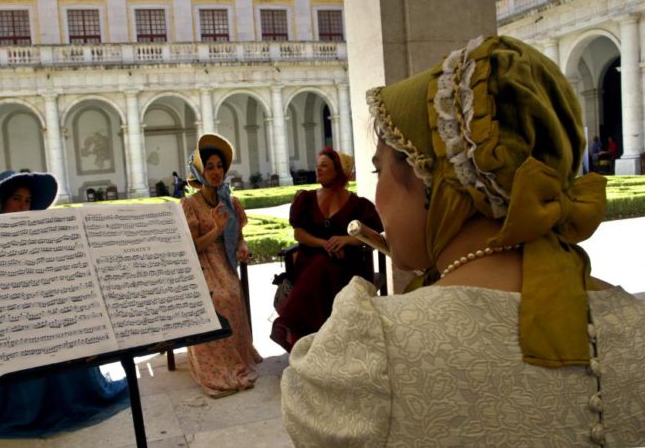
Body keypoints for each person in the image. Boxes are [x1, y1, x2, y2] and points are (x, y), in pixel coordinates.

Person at [281, 36, 645, 445]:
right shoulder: (635, 326)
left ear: (430, 179)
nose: (377, 195)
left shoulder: (370, 352)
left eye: (379, 171)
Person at [0, 170, 130, 438]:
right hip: (9, 321)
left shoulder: (41, 235)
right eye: (16, 199)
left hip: (45, 309)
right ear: (1, 202)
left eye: (27, 201)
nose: (23, 206)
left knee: (70, 324)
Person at [270, 147, 382, 353]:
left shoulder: (358, 205)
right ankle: (313, 335)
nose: (318, 170)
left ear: (338, 170)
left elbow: (374, 234)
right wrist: (323, 244)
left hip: (345, 262)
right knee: (321, 265)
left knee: (327, 267)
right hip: (311, 260)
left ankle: (292, 326)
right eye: (317, 166)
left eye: (324, 166)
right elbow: (298, 234)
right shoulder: (306, 199)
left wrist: (346, 239)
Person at [181, 133, 262, 398]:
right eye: (210, 167)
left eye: (219, 166)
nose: (216, 172)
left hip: (225, 263)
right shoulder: (190, 204)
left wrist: (242, 245)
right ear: (199, 171)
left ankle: (237, 358)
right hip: (201, 265)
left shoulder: (230, 201)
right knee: (218, 298)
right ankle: (216, 367)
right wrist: (216, 229)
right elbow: (192, 246)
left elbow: (239, 235)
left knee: (232, 295)